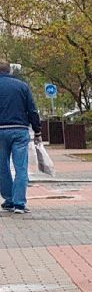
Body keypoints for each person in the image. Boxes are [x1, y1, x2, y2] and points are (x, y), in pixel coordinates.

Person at [0, 58, 38, 215]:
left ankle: (8, 200)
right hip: (20, 130)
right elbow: (32, 110)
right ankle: (19, 204)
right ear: (9, 70)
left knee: (2, 168)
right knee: (21, 167)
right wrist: (38, 130)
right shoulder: (22, 86)